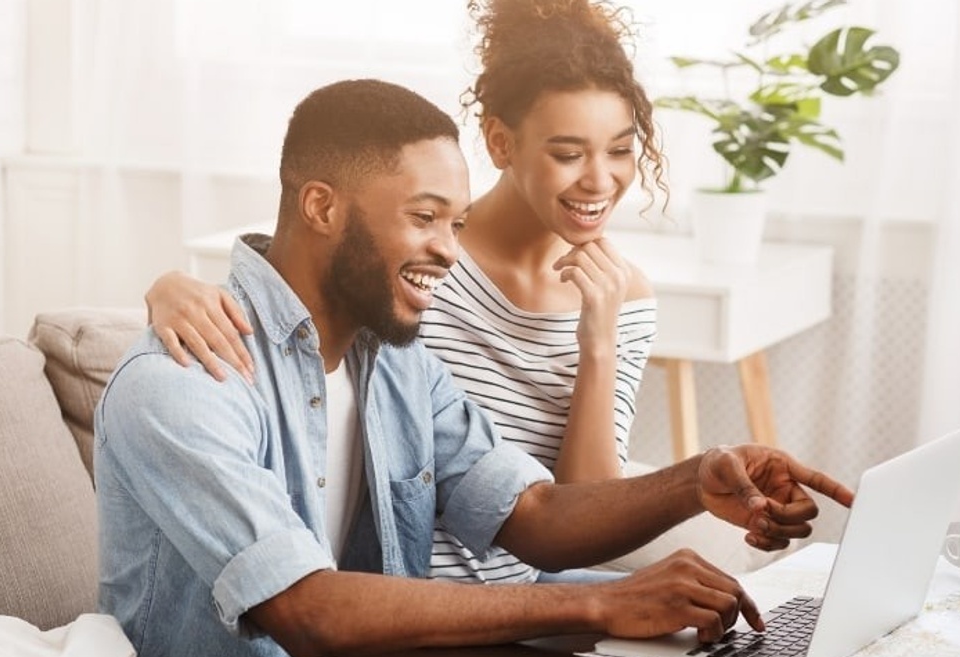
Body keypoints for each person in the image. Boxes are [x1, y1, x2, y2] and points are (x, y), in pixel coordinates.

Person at [95, 77, 853, 657]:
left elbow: (532, 514)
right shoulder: (185, 383)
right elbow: (307, 609)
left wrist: (695, 480)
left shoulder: (392, 362)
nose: (448, 252)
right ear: (321, 207)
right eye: (424, 218)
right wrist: (596, 599)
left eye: (456, 223)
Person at [145, 0, 671, 585]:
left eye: (622, 150)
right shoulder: (411, 269)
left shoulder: (619, 295)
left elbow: (572, 522)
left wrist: (600, 343)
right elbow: (308, 263)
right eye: (569, 154)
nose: (600, 180)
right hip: (414, 594)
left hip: (530, 581)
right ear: (500, 143)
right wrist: (167, 288)